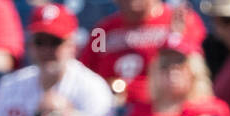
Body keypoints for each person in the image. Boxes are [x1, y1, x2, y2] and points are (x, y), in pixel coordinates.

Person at [0, 3, 114, 116]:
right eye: (40, 42)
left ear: (72, 45)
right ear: (30, 45)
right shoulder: (9, 86)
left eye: (55, 42)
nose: (47, 50)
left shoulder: (93, 88)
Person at [80, 0, 208, 109]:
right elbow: (85, 74)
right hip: (111, 109)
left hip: (161, 111)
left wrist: (175, 37)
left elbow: (196, 75)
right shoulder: (103, 31)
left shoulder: (178, 21)